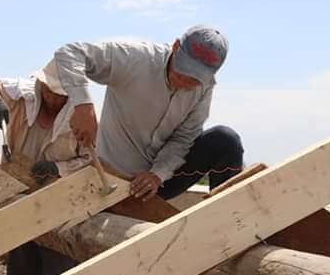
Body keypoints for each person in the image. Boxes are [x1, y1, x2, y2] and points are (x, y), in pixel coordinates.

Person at [0, 63, 103, 275]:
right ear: (41, 84)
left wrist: (59, 168)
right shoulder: (23, 94)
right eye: (49, 92)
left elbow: (91, 160)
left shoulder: (83, 116)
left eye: (60, 95)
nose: (53, 99)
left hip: (60, 207)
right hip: (20, 199)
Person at [53, 24, 244, 201]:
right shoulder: (135, 58)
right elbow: (70, 53)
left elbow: (184, 138)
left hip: (158, 182)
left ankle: (230, 220)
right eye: (181, 73)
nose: (184, 83)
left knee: (225, 141)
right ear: (176, 46)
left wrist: (157, 174)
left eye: (193, 81)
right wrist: (82, 104)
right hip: (112, 177)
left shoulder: (205, 87)